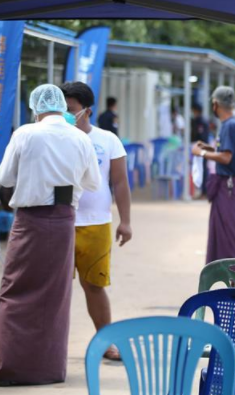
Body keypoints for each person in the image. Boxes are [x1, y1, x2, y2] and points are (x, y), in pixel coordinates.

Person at [0, 84, 100, 385]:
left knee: (15, 291)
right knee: (55, 295)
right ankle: (49, 367)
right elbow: (92, 183)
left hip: (29, 220)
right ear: (62, 107)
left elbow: (4, 177)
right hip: (65, 219)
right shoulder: (80, 138)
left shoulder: (26, 134)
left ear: (36, 106)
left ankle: (12, 366)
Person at [60, 81, 133, 362]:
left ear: (87, 111)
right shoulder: (54, 137)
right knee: (56, 286)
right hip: (60, 223)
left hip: (96, 224)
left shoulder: (107, 140)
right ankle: (50, 345)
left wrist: (125, 221)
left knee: (94, 286)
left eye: (71, 110)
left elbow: (120, 182)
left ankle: (106, 341)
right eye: (61, 109)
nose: (65, 115)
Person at [191, 86, 235, 266]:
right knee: (225, 237)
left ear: (215, 104)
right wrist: (210, 150)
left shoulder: (229, 125)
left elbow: (226, 157)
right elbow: (226, 152)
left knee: (231, 240)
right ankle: (229, 281)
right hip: (232, 187)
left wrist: (200, 154)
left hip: (229, 187)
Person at [191, 103, 211, 195]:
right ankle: (202, 191)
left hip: (201, 148)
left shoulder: (200, 121)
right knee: (201, 169)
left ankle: (204, 191)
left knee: (202, 169)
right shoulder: (201, 120)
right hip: (201, 147)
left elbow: (200, 136)